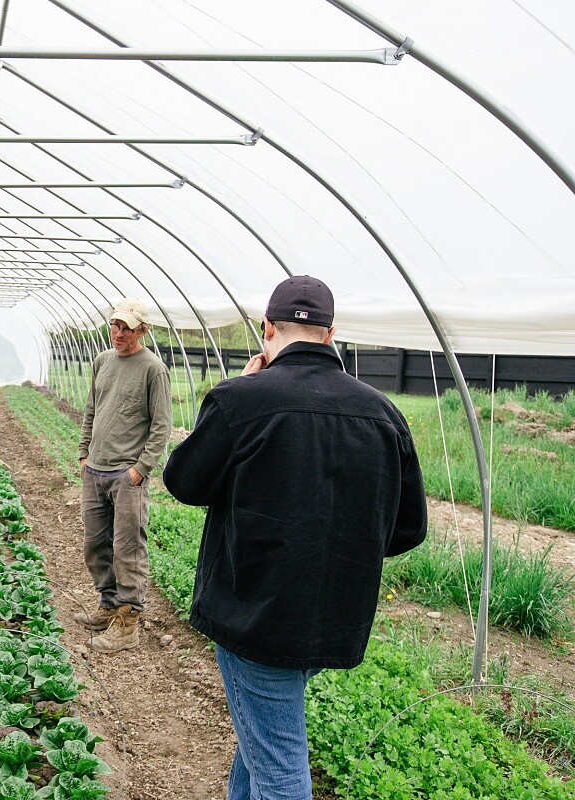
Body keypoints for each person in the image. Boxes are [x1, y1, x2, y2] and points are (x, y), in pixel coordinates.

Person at [162, 276, 427, 800]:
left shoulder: (241, 400)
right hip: (332, 619)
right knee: (260, 737)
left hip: (255, 615)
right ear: (331, 334)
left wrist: (233, 393)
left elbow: (184, 482)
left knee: (280, 768)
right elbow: (407, 528)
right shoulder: (383, 413)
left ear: (267, 329)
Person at [76, 298, 173, 652]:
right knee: (94, 546)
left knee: (127, 549)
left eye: (127, 328)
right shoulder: (102, 361)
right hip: (95, 470)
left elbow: (162, 427)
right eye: (115, 326)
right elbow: (92, 409)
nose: (118, 333)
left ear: (142, 331)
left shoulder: (153, 369)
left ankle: (128, 622)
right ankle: (108, 605)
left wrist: (139, 470)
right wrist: (84, 453)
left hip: (125, 475)